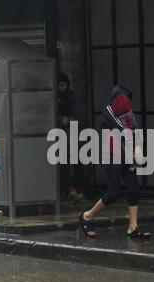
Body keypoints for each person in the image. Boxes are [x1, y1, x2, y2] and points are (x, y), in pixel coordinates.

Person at [78, 85, 151, 239]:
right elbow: (123, 131)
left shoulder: (129, 112)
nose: (128, 105)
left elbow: (136, 131)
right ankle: (87, 216)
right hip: (112, 154)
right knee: (113, 192)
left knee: (133, 188)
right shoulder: (108, 111)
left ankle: (133, 226)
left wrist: (138, 151)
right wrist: (134, 153)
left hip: (126, 153)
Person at [57, 72, 84, 202]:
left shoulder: (69, 96)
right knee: (65, 163)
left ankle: (71, 189)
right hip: (63, 132)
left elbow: (74, 113)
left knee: (69, 161)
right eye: (60, 85)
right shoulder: (61, 96)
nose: (62, 87)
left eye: (64, 85)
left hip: (67, 131)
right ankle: (68, 189)